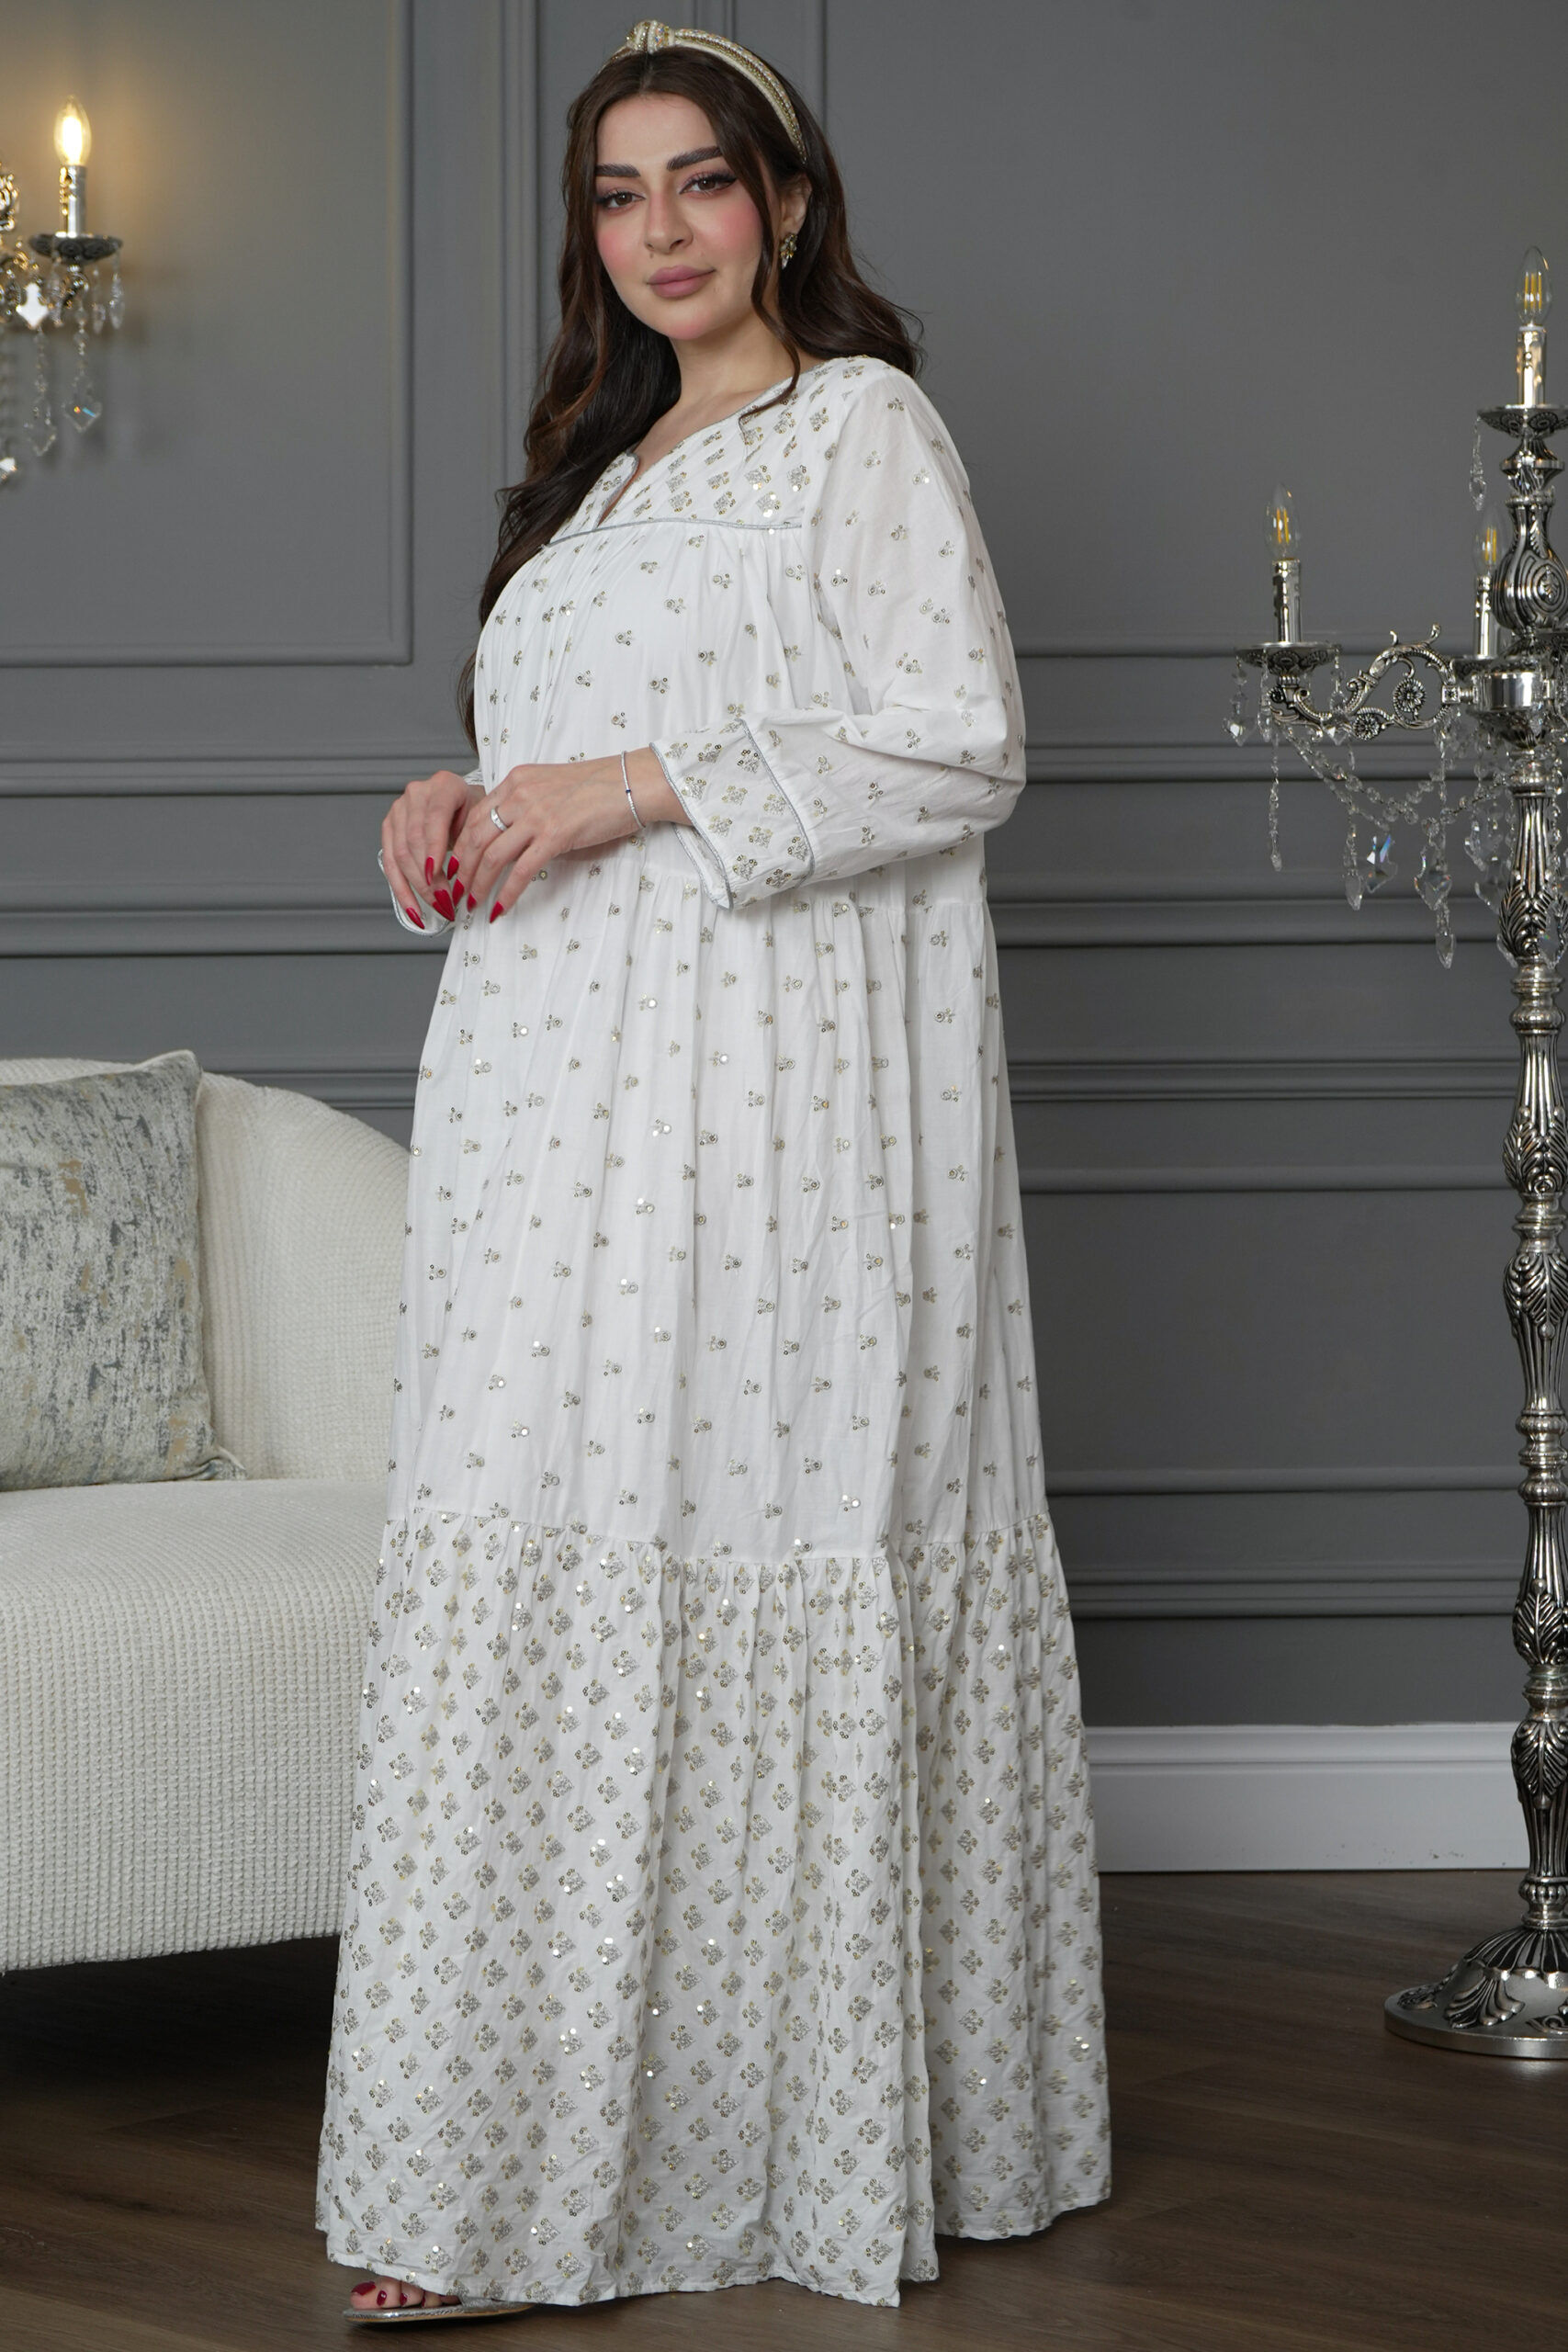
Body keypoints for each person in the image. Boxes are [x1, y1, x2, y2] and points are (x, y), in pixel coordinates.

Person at [321, 17, 1109, 2323]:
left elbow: (959, 739)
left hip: (768, 1124)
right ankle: (492, 2177)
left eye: (697, 182)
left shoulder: (857, 431)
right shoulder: (588, 483)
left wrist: (632, 781)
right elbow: (545, 783)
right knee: (536, 1549)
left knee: (734, 1532)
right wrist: (453, 805)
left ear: (781, 202)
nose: (656, 231)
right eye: (614, 194)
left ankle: (751, 2155)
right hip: (545, 1114)